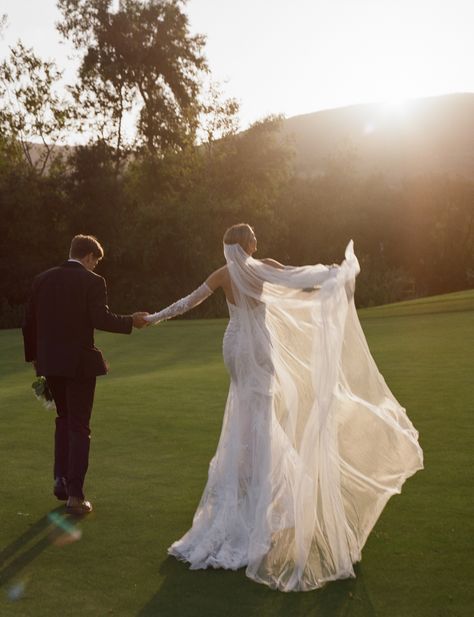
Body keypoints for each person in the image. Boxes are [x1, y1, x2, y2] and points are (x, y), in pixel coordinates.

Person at [144, 223, 423, 591]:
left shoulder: (223, 273)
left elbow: (189, 300)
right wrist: (335, 276)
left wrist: (152, 318)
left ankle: (244, 488)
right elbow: (298, 281)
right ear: (248, 243)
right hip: (257, 346)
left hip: (234, 345)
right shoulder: (263, 267)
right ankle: (260, 500)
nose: (258, 241)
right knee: (260, 416)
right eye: (254, 237)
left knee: (245, 414)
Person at [22, 234, 149, 515]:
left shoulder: (42, 279)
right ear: (89, 257)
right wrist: (132, 321)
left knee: (64, 419)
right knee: (79, 426)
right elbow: (100, 318)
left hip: (49, 364)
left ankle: (61, 479)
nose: (95, 268)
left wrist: (34, 358)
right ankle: (75, 496)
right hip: (78, 365)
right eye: (95, 262)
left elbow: (28, 322)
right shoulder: (93, 282)